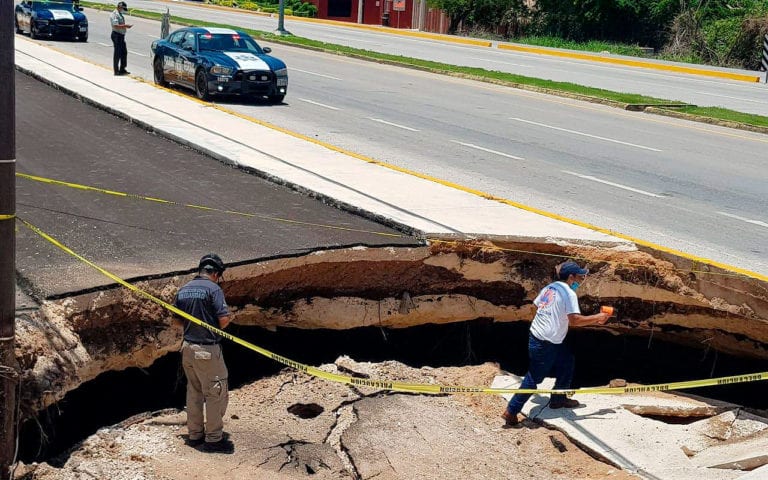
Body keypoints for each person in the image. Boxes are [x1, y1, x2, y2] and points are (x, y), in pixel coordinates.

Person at [502, 260, 610, 427]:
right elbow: (574, 320)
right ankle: (511, 411)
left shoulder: (550, 288)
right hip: (545, 343)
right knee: (533, 378)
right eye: (579, 276)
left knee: (567, 362)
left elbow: (535, 306)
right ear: (571, 277)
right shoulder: (569, 294)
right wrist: (598, 318)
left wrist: (546, 323)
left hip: (542, 337)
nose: (581, 280)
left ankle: (558, 399)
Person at [174, 253, 234, 453]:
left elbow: (176, 321)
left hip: (187, 349)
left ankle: (194, 435)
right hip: (207, 351)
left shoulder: (184, 289)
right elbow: (224, 319)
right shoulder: (214, 289)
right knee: (216, 392)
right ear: (216, 273)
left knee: (194, 392)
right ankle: (214, 439)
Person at [110, 1, 132, 75]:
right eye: (123, 8)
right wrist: (125, 26)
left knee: (124, 52)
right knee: (117, 53)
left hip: (121, 36)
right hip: (116, 35)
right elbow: (115, 25)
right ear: (119, 7)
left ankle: (122, 68)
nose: (123, 10)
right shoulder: (114, 14)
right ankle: (116, 71)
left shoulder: (120, 14)